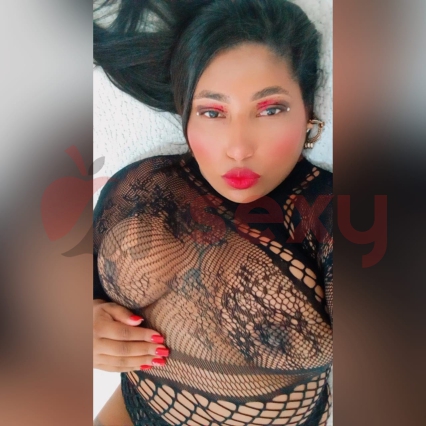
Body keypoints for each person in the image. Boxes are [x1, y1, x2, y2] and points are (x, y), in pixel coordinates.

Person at [93, 1, 333, 425]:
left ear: (308, 115)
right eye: (213, 112)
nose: (238, 148)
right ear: (187, 116)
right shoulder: (141, 186)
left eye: (270, 109)